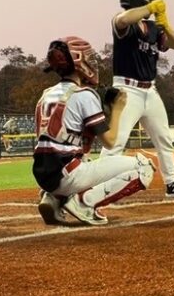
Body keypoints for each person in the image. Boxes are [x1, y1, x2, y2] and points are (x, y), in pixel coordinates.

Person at [33, 36, 155, 225]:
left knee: (83, 158)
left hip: (44, 172)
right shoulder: (84, 94)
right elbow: (110, 141)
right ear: (79, 62)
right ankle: (83, 203)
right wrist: (117, 108)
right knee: (144, 167)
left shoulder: (45, 94)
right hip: (68, 173)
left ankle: (54, 198)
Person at [101, 0, 174, 199]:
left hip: (150, 91)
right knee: (116, 142)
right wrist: (150, 9)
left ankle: (172, 183)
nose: (152, 1)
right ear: (139, 0)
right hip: (126, 90)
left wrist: (164, 22)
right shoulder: (124, 23)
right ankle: (98, 184)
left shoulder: (153, 28)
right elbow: (124, 19)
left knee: (164, 139)